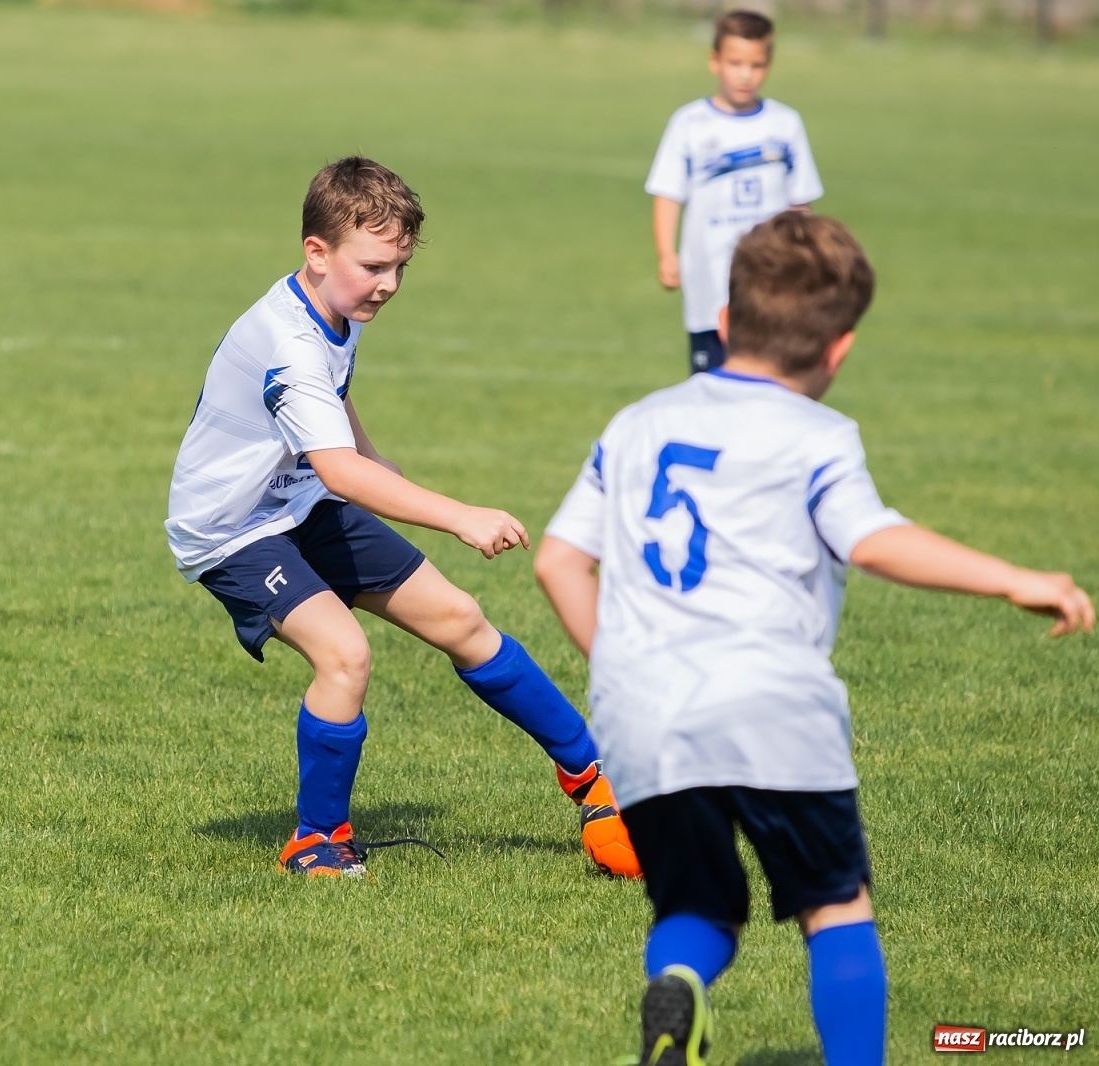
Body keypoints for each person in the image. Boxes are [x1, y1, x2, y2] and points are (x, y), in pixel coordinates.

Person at [533, 212, 1092, 1065]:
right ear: (840, 351)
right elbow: (872, 540)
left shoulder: (637, 422)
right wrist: (1013, 577)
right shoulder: (818, 436)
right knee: (835, 906)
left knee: (696, 908)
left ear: (723, 323)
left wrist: (622, 664)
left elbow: (559, 563)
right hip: (771, 707)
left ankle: (677, 989)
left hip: (643, 712)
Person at [165, 157, 638, 880]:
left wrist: (382, 465)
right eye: (375, 266)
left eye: (400, 267)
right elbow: (338, 470)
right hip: (232, 530)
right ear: (316, 254)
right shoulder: (287, 343)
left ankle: (595, 779)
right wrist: (458, 516)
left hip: (296, 503)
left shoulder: (334, 308)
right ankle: (317, 842)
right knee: (345, 655)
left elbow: (339, 414)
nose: (388, 283)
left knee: (460, 618)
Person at [647, 9, 823, 375]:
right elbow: (668, 192)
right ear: (715, 61)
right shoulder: (690, 123)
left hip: (770, 280)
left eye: (756, 65)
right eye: (735, 63)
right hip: (708, 279)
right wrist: (667, 253)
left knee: (770, 381)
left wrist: (805, 258)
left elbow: (801, 203)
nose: (745, 74)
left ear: (769, 65)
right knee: (711, 384)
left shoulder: (784, 124)